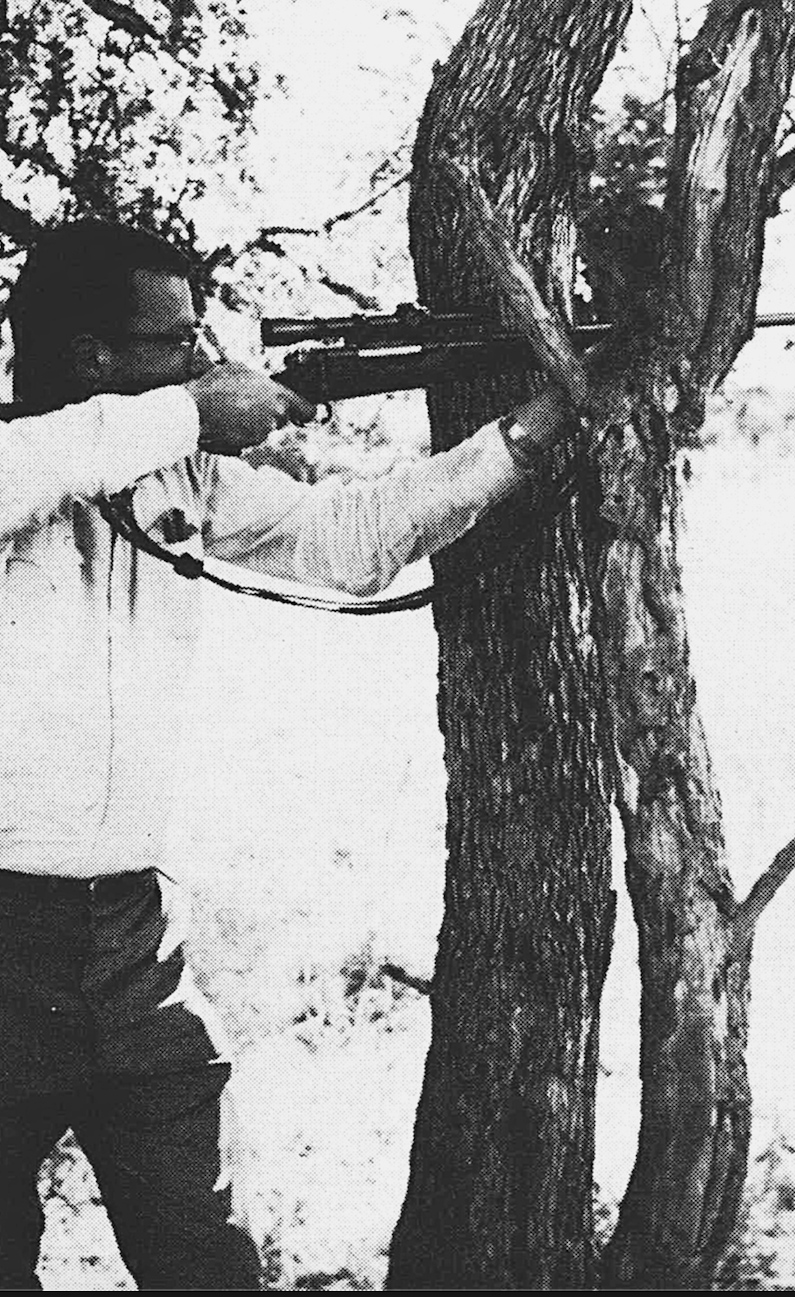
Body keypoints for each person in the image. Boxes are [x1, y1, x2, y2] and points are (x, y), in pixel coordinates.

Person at [0, 219, 575, 1290]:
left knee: (206, 1264)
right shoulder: (28, 459)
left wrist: (528, 433)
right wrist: (187, 411)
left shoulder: (180, 480)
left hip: (129, 942)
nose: (203, 355)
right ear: (93, 360)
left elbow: (350, 542)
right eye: (175, 340)